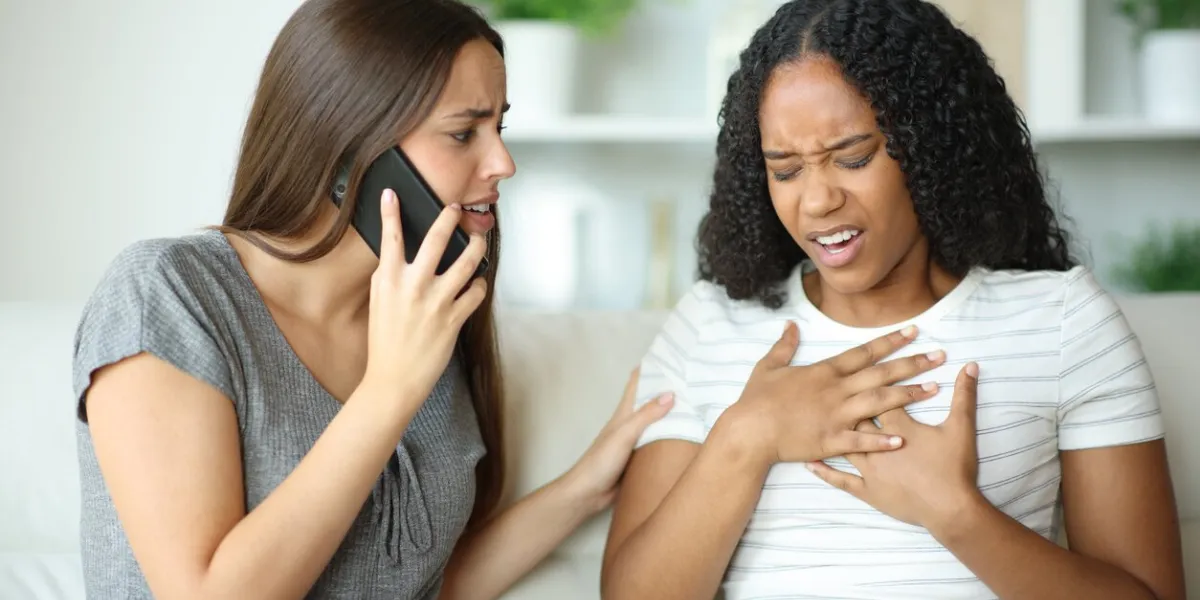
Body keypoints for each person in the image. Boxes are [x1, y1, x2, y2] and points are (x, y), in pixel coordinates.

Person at [70, 1, 678, 598]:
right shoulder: (168, 294)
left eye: (500, 128)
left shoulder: (430, 313)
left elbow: (428, 584)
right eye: (463, 133)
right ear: (348, 148)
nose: (503, 163)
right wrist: (389, 390)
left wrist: (585, 486)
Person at [601, 0, 1187, 599]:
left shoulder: (1064, 320)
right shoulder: (709, 323)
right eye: (785, 170)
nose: (817, 202)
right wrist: (748, 436)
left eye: (852, 158)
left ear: (930, 147)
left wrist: (957, 515)